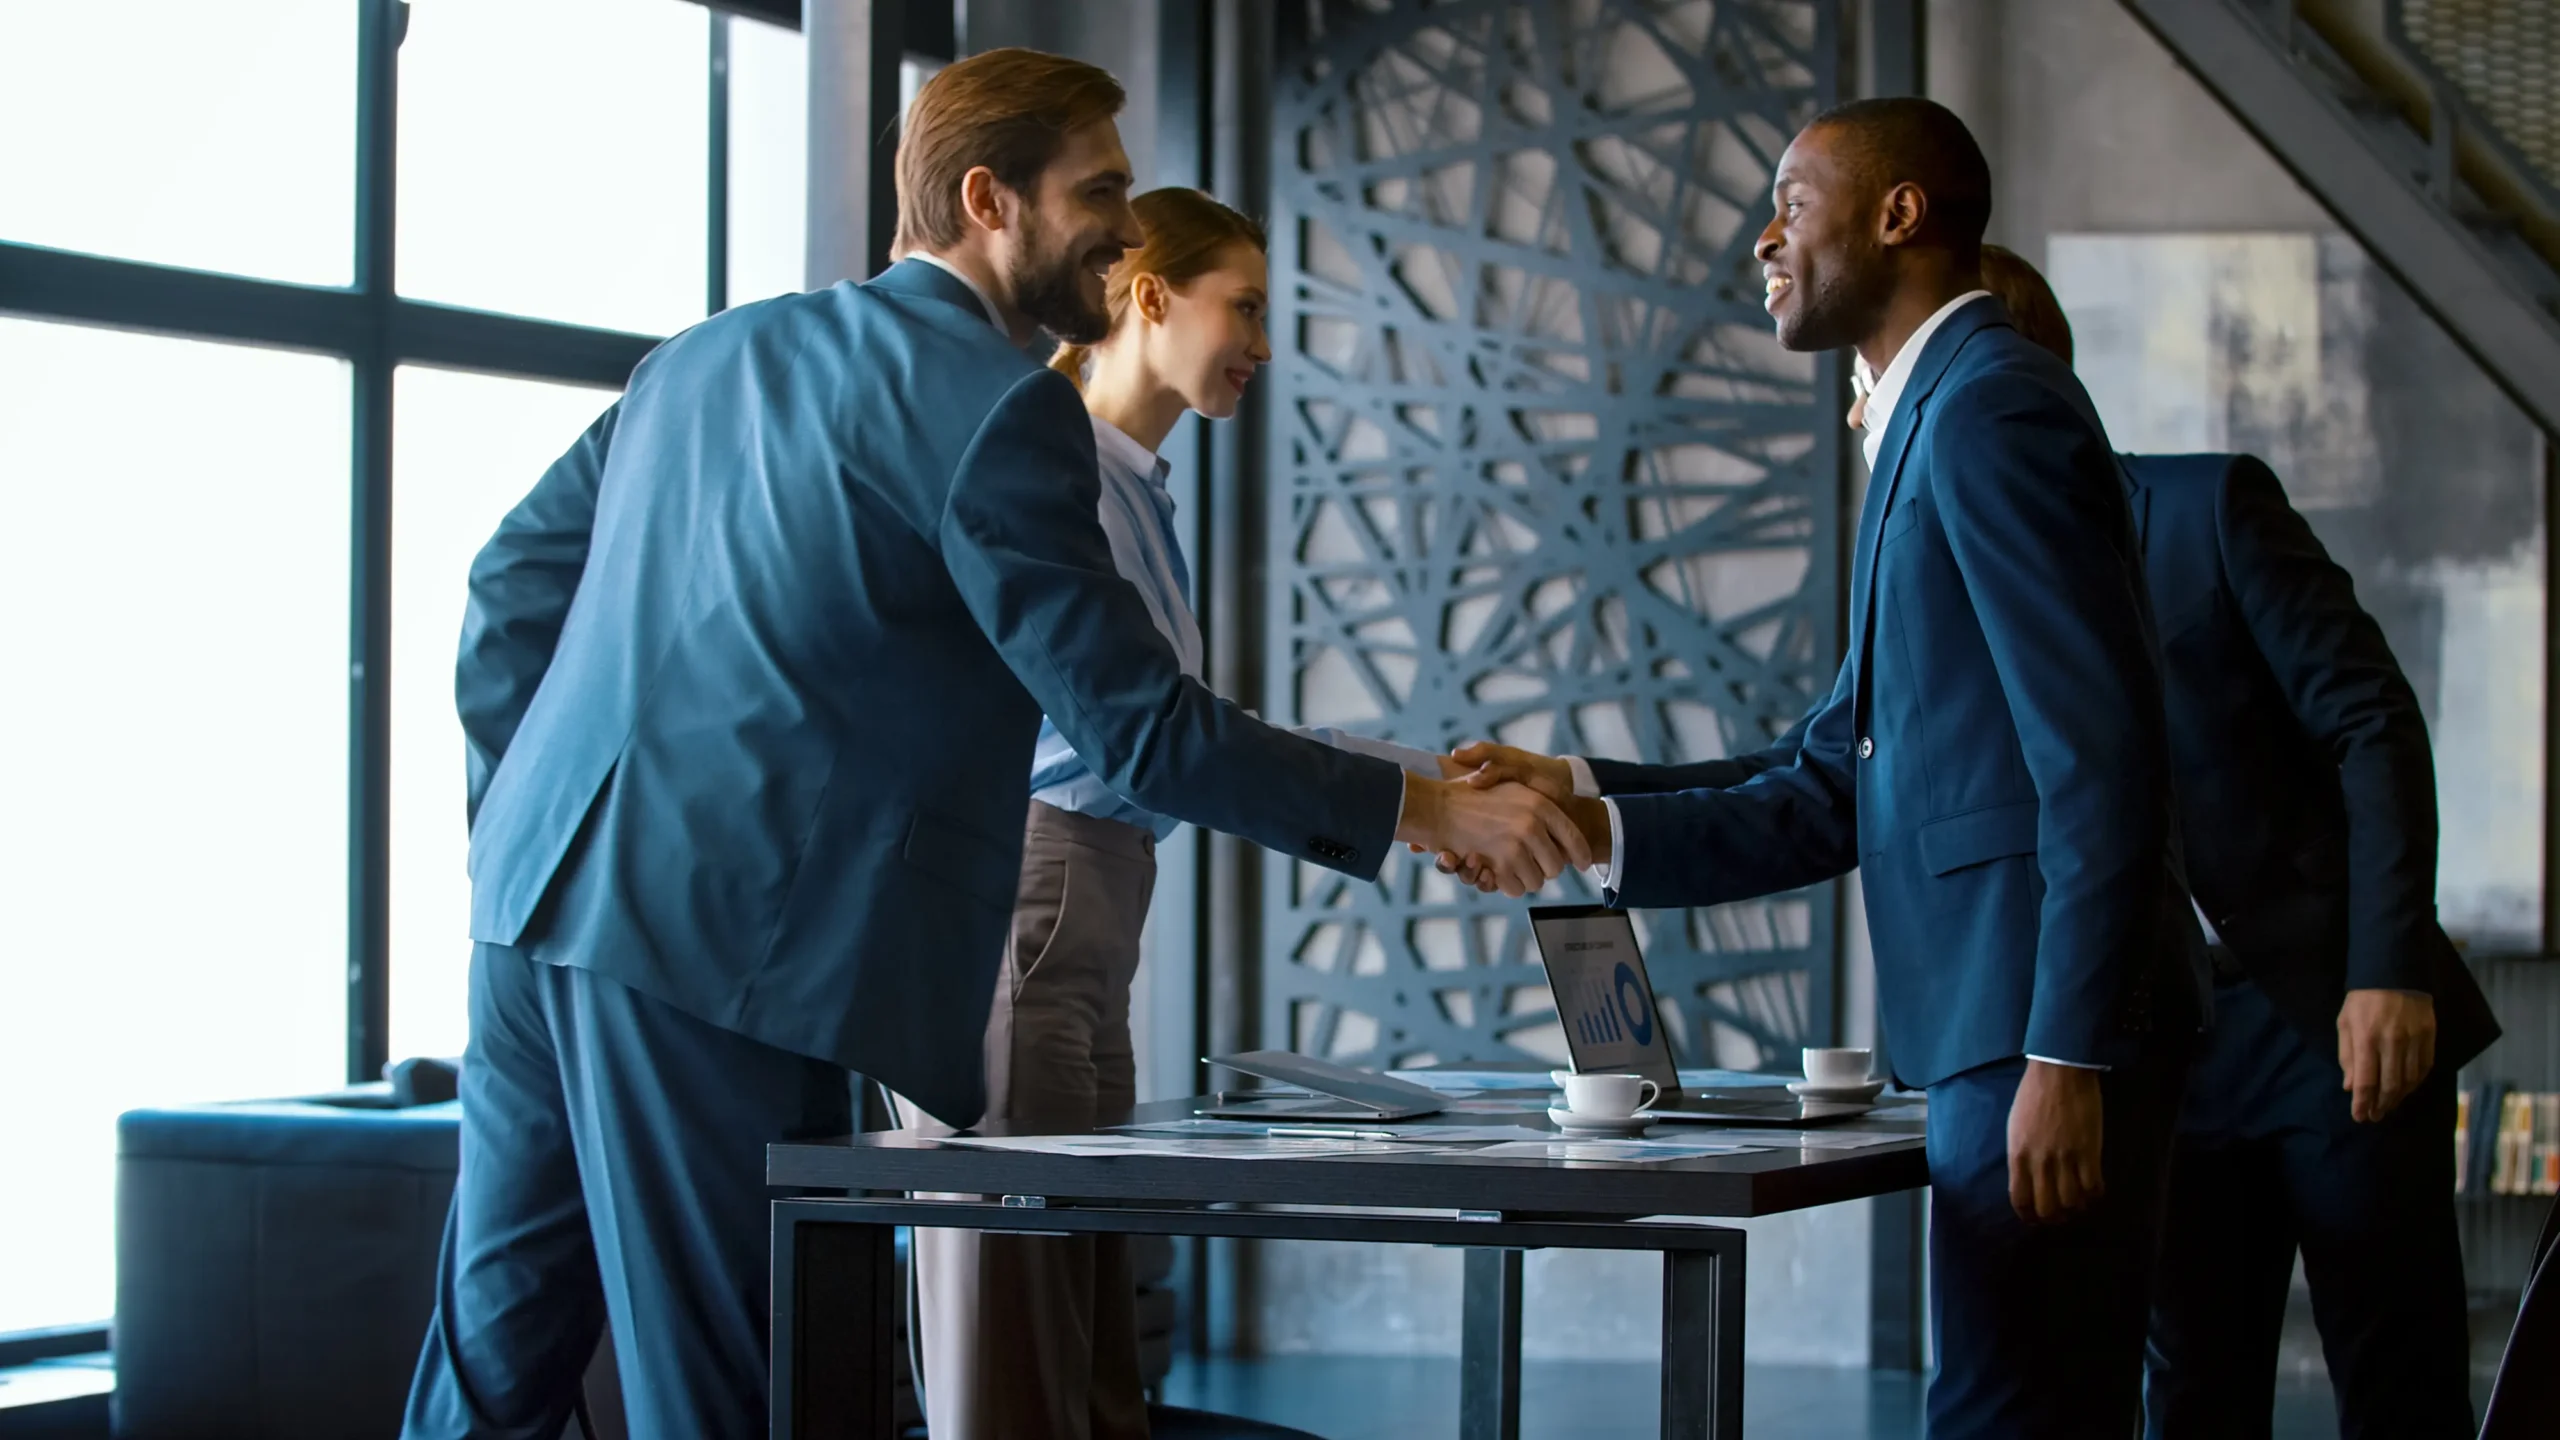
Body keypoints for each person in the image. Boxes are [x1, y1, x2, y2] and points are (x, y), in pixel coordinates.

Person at [404, 49, 1587, 1439]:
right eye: (1099, 190)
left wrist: (524, 824)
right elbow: (1137, 729)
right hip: (715, 955)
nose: (1130, 229)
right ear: (990, 201)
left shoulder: (709, 353)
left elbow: (507, 594)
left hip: (532, 914)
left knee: (495, 1364)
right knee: (743, 1393)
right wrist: (1421, 810)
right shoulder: (997, 402)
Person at [1442, 99, 2208, 1437]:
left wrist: (2067, 1050)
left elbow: (2103, 758)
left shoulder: (1989, 409)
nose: (1765, 241)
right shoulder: (1942, 421)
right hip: (1991, 1035)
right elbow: (1833, 779)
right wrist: (1576, 802)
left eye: (1793, 203)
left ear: (1899, 214)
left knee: (2014, 1415)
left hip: (2031, 1034)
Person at [898, 186, 1456, 1440]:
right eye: (1243, 307)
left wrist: (1423, 781)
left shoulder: (1133, 486)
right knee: (1014, 1354)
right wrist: (1416, 801)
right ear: (1149, 297)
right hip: (1032, 904)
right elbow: (1153, 746)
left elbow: (1183, 725)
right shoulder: (1056, 476)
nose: (1262, 343)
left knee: (1089, 1348)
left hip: (1092, 921)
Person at [1971, 244, 2497, 1439]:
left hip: (2328, 1017)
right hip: (2156, 1049)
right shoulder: (1966, 591)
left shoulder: (2209, 508)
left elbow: (2372, 722)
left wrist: (2386, 968)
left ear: (2022, 366)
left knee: (2397, 1376)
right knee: (2193, 1392)